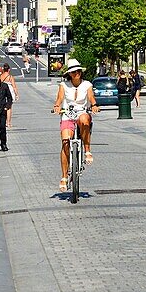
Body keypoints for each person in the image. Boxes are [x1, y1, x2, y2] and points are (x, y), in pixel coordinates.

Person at [52, 59, 99, 192]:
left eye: (78, 71)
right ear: (70, 74)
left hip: (81, 113)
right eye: (73, 72)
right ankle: (64, 177)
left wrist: (94, 105)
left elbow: (91, 98)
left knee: (84, 119)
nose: (76, 73)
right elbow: (60, 99)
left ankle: (87, 151)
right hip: (68, 114)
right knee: (65, 142)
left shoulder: (87, 85)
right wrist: (57, 106)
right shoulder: (64, 85)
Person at [0, 63, 20, 128]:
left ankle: (2, 122)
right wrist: (17, 94)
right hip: (9, 93)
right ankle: (8, 123)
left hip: (2, 92)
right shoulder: (10, 77)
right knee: (9, 108)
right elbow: (14, 87)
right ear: (9, 70)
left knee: (2, 108)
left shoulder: (0, 76)